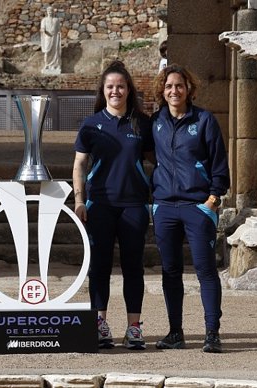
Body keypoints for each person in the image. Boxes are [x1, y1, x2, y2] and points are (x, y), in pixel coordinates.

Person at [72, 60, 154, 350]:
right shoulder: (91, 125)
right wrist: (79, 200)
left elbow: (159, 162)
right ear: (103, 91)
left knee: (133, 268)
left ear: (129, 89)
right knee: (99, 267)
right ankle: (100, 324)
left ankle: (134, 327)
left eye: (120, 86)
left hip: (133, 206)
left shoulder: (142, 124)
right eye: (110, 86)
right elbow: (80, 164)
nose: (115, 91)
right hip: (100, 205)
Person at [150, 64, 230, 353]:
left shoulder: (204, 120)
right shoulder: (155, 122)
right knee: (170, 271)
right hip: (165, 207)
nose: (174, 91)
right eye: (169, 86)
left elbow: (219, 164)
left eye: (179, 86)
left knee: (205, 270)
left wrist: (212, 199)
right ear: (162, 89)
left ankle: (212, 333)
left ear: (188, 89)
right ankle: (175, 333)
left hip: (198, 206)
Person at [40, 5, 62, 72]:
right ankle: (47, 65)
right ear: (47, 12)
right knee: (47, 51)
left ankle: (55, 65)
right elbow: (42, 28)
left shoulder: (56, 20)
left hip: (55, 37)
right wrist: (43, 31)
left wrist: (58, 33)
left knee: (55, 52)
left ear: (53, 12)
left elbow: (58, 29)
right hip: (47, 37)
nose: (50, 12)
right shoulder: (44, 20)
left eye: (51, 11)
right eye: (49, 11)